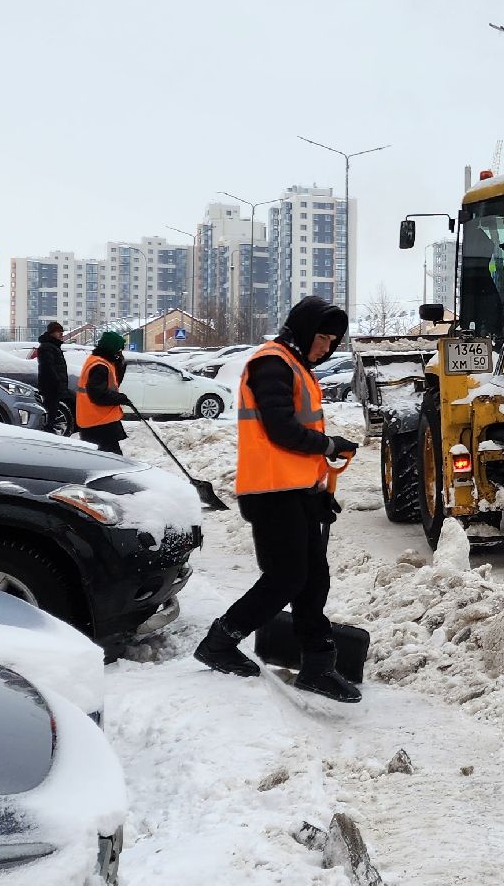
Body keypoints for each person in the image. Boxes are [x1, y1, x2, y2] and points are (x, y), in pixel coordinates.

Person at [193, 296, 361, 703]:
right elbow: (282, 430)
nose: (327, 347)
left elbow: (295, 440)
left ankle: (317, 666)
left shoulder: (297, 365)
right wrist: (329, 444)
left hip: (296, 491)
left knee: (313, 579)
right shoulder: (272, 363)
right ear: (304, 330)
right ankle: (219, 642)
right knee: (285, 578)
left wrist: (317, 491)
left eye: (333, 341)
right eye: (322, 338)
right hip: (270, 493)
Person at [75, 331, 133, 455]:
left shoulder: (101, 361)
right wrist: (119, 398)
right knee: (111, 459)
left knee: (103, 458)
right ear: (111, 349)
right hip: (98, 422)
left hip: (97, 420)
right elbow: (98, 395)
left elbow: (114, 383)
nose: (120, 353)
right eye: (118, 350)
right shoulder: (99, 366)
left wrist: (120, 364)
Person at [32, 322, 71, 433]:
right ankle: (48, 431)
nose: (61, 334)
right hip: (51, 386)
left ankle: (49, 429)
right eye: (59, 332)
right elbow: (48, 367)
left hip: (54, 386)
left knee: (53, 410)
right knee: (51, 410)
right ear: (52, 333)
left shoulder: (54, 346)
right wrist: (57, 382)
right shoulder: (47, 347)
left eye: (62, 332)